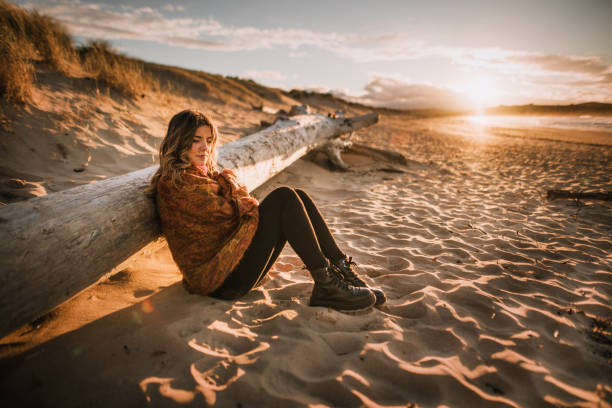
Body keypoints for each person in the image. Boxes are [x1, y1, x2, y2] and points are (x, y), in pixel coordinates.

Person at [147, 109, 386, 312]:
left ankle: (341, 273)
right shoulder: (176, 185)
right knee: (284, 198)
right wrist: (236, 190)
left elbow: (238, 214)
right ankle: (327, 286)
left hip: (235, 266)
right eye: (195, 140)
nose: (204, 148)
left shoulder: (204, 176)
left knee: (297, 196)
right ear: (179, 141)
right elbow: (237, 215)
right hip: (218, 281)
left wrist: (233, 188)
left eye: (209, 140)